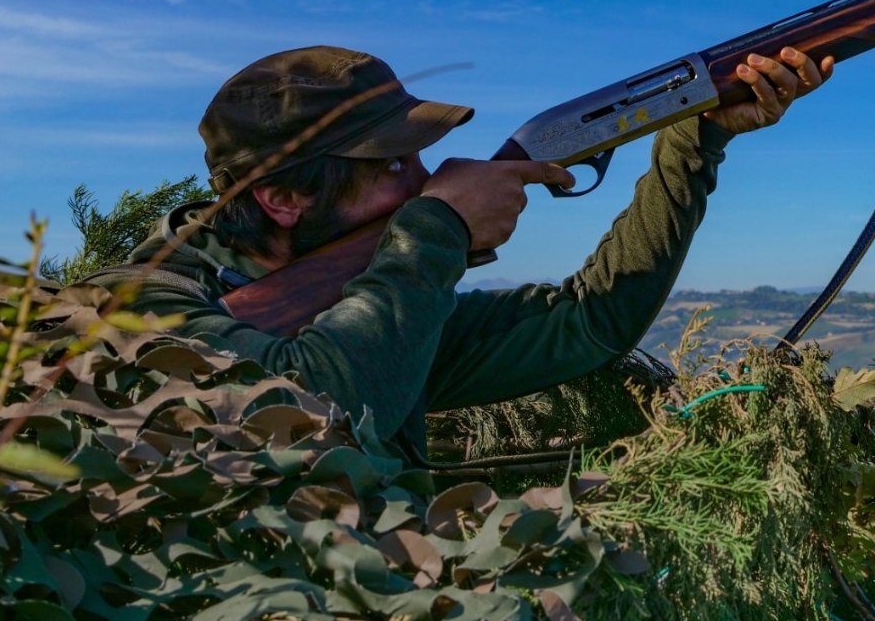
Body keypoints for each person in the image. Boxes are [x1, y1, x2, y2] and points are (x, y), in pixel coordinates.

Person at [94, 45, 832, 460]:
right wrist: (436, 230)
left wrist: (694, 136)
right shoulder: (138, 309)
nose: (425, 180)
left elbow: (590, 325)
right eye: (390, 166)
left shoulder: (374, 304)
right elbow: (313, 408)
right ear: (283, 199)